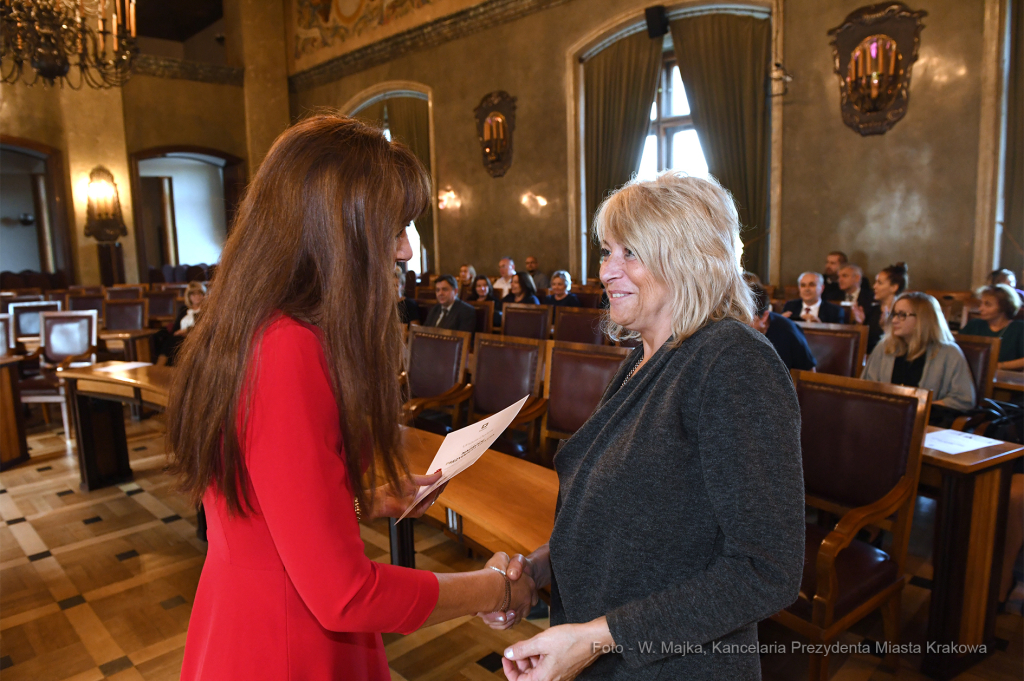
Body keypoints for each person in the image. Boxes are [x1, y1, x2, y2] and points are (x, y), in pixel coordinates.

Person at [166, 116, 534, 681]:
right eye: (394, 228)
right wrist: (496, 587)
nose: (407, 251)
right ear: (335, 232)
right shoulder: (288, 350)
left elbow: (264, 516)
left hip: (249, 617)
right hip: (289, 646)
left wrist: (368, 501)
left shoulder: (250, 327)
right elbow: (345, 594)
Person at [485, 172, 804, 680]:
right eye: (607, 252)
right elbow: (634, 523)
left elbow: (766, 572)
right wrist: (540, 568)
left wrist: (596, 638)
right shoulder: (646, 355)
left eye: (629, 252)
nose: (607, 271)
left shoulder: (733, 362)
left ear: (687, 256)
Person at [862, 292, 976, 425]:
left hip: (927, 424)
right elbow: (865, 387)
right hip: (882, 419)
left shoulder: (949, 352)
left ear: (923, 318)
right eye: (894, 314)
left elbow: (964, 399)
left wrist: (921, 407)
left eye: (902, 315)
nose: (894, 320)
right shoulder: (885, 348)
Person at [750, 284, 816, 371]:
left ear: (765, 317)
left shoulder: (788, 331)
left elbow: (808, 374)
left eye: (746, 320)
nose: (739, 325)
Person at [961, 285, 1024, 370]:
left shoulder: (1019, 328)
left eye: (988, 305)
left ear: (1003, 307)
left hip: (1004, 378)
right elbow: (956, 348)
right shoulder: (974, 325)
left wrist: (998, 366)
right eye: (981, 304)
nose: (980, 308)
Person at [854, 262, 908, 353]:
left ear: (894, 287)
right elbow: (860, 345)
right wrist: (860, 324)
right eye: (875, 282)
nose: (874, 286)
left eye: (879, 283)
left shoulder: (904, 313)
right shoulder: (869, 310)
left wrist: (886, 328)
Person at [155, 281, 207, 366]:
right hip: (179, 336)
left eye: (199, 294)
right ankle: (158, 368)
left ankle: (159, 367)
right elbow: (176, 328)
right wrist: (178, 332)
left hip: (194, 337)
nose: (197, 297)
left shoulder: (206, 310)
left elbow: (204, 328)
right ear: (189, 297)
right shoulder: (184, 310)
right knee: (161, 337)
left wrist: (187, 331)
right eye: (193, 294)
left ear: (204, 295)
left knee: (173, 342)